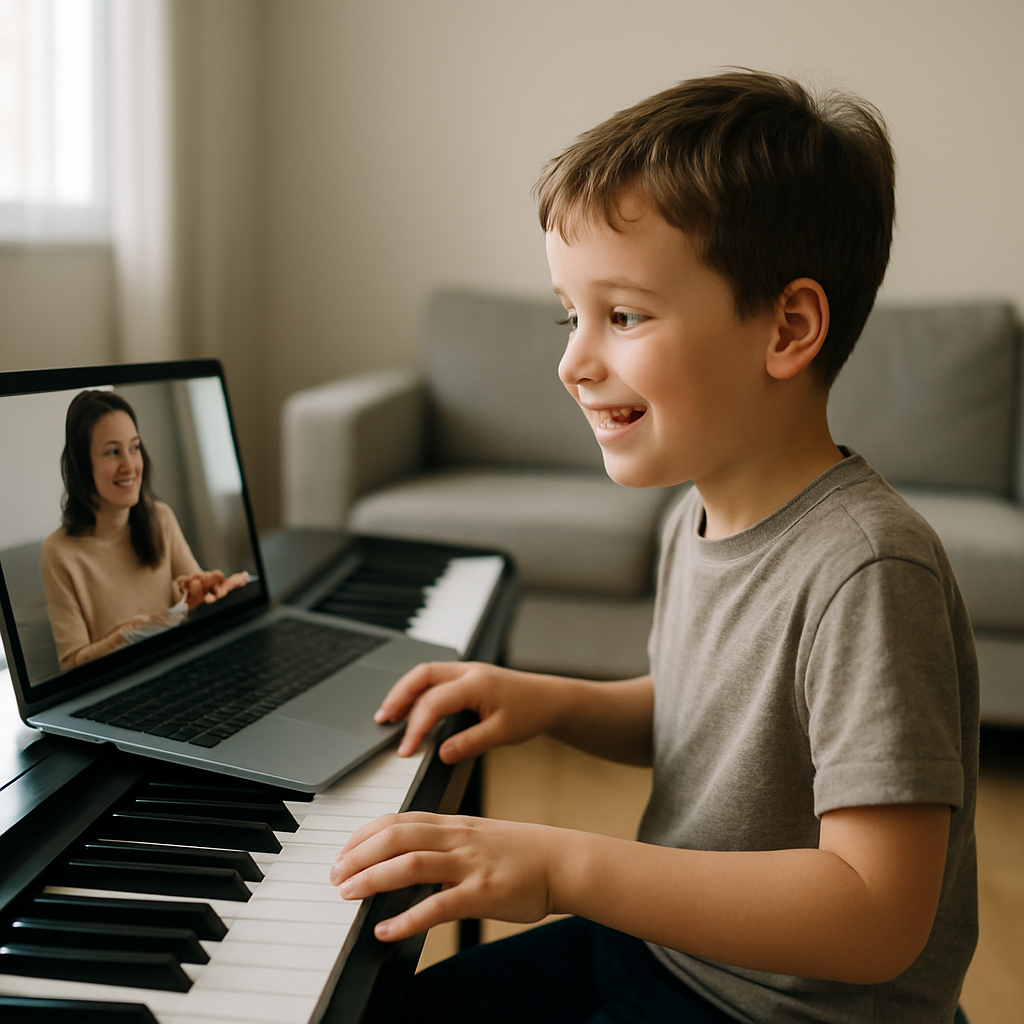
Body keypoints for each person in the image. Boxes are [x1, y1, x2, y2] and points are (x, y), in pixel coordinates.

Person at [330, 70, 978, 1023]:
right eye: (570, 313)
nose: (572, 360)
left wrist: (563, 863)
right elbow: (713, 724)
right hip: (675, 957)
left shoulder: (869, 570)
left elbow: (877, 913)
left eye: (623, 315)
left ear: (788, 328)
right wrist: (545, 700)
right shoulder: (703, 513)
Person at [41, 390, 248, 670]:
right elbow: (73, 665)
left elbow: (195, 601)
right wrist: (130, 634)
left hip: (184, 670)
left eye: (134, 447)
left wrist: (209, 594)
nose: (130, 466)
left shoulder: (160, 518)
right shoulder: (59, 553)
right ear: (82, 464)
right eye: (113, 452)